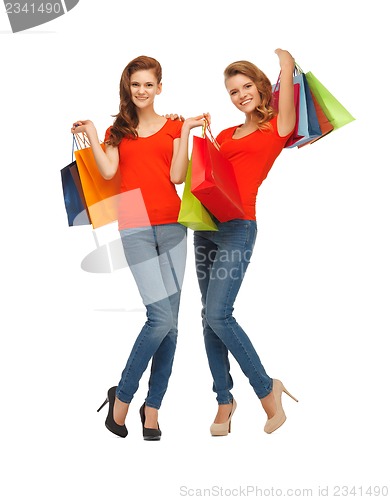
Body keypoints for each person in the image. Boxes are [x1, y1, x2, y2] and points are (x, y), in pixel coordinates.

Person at [71, 55, 207, 440]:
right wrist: (96, 133)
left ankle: (153, 409)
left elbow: (178, 177)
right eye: (136, 85)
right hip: (134, 223)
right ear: (128, 89)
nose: (142, 91)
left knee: (172, 327)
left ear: (159, 87)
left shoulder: (177, 127)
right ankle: (123, 399)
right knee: (159, 319)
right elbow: (109, 172)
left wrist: (186, 135)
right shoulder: (120, 130)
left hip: (173, 225)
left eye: (149, 84)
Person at [193, 48, 298, 436]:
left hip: (239, 227)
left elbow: (284, 89)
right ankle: (224, 399)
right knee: (208, 317)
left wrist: (285, 64)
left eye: (247, 86)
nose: (241, 96)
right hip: (205, 228)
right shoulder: (223, 134)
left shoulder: (277, 128)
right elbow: (208, 177)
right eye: (233, 91)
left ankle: (266, 388)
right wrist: (195, 134)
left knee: (220, 313)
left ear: (260, 86)